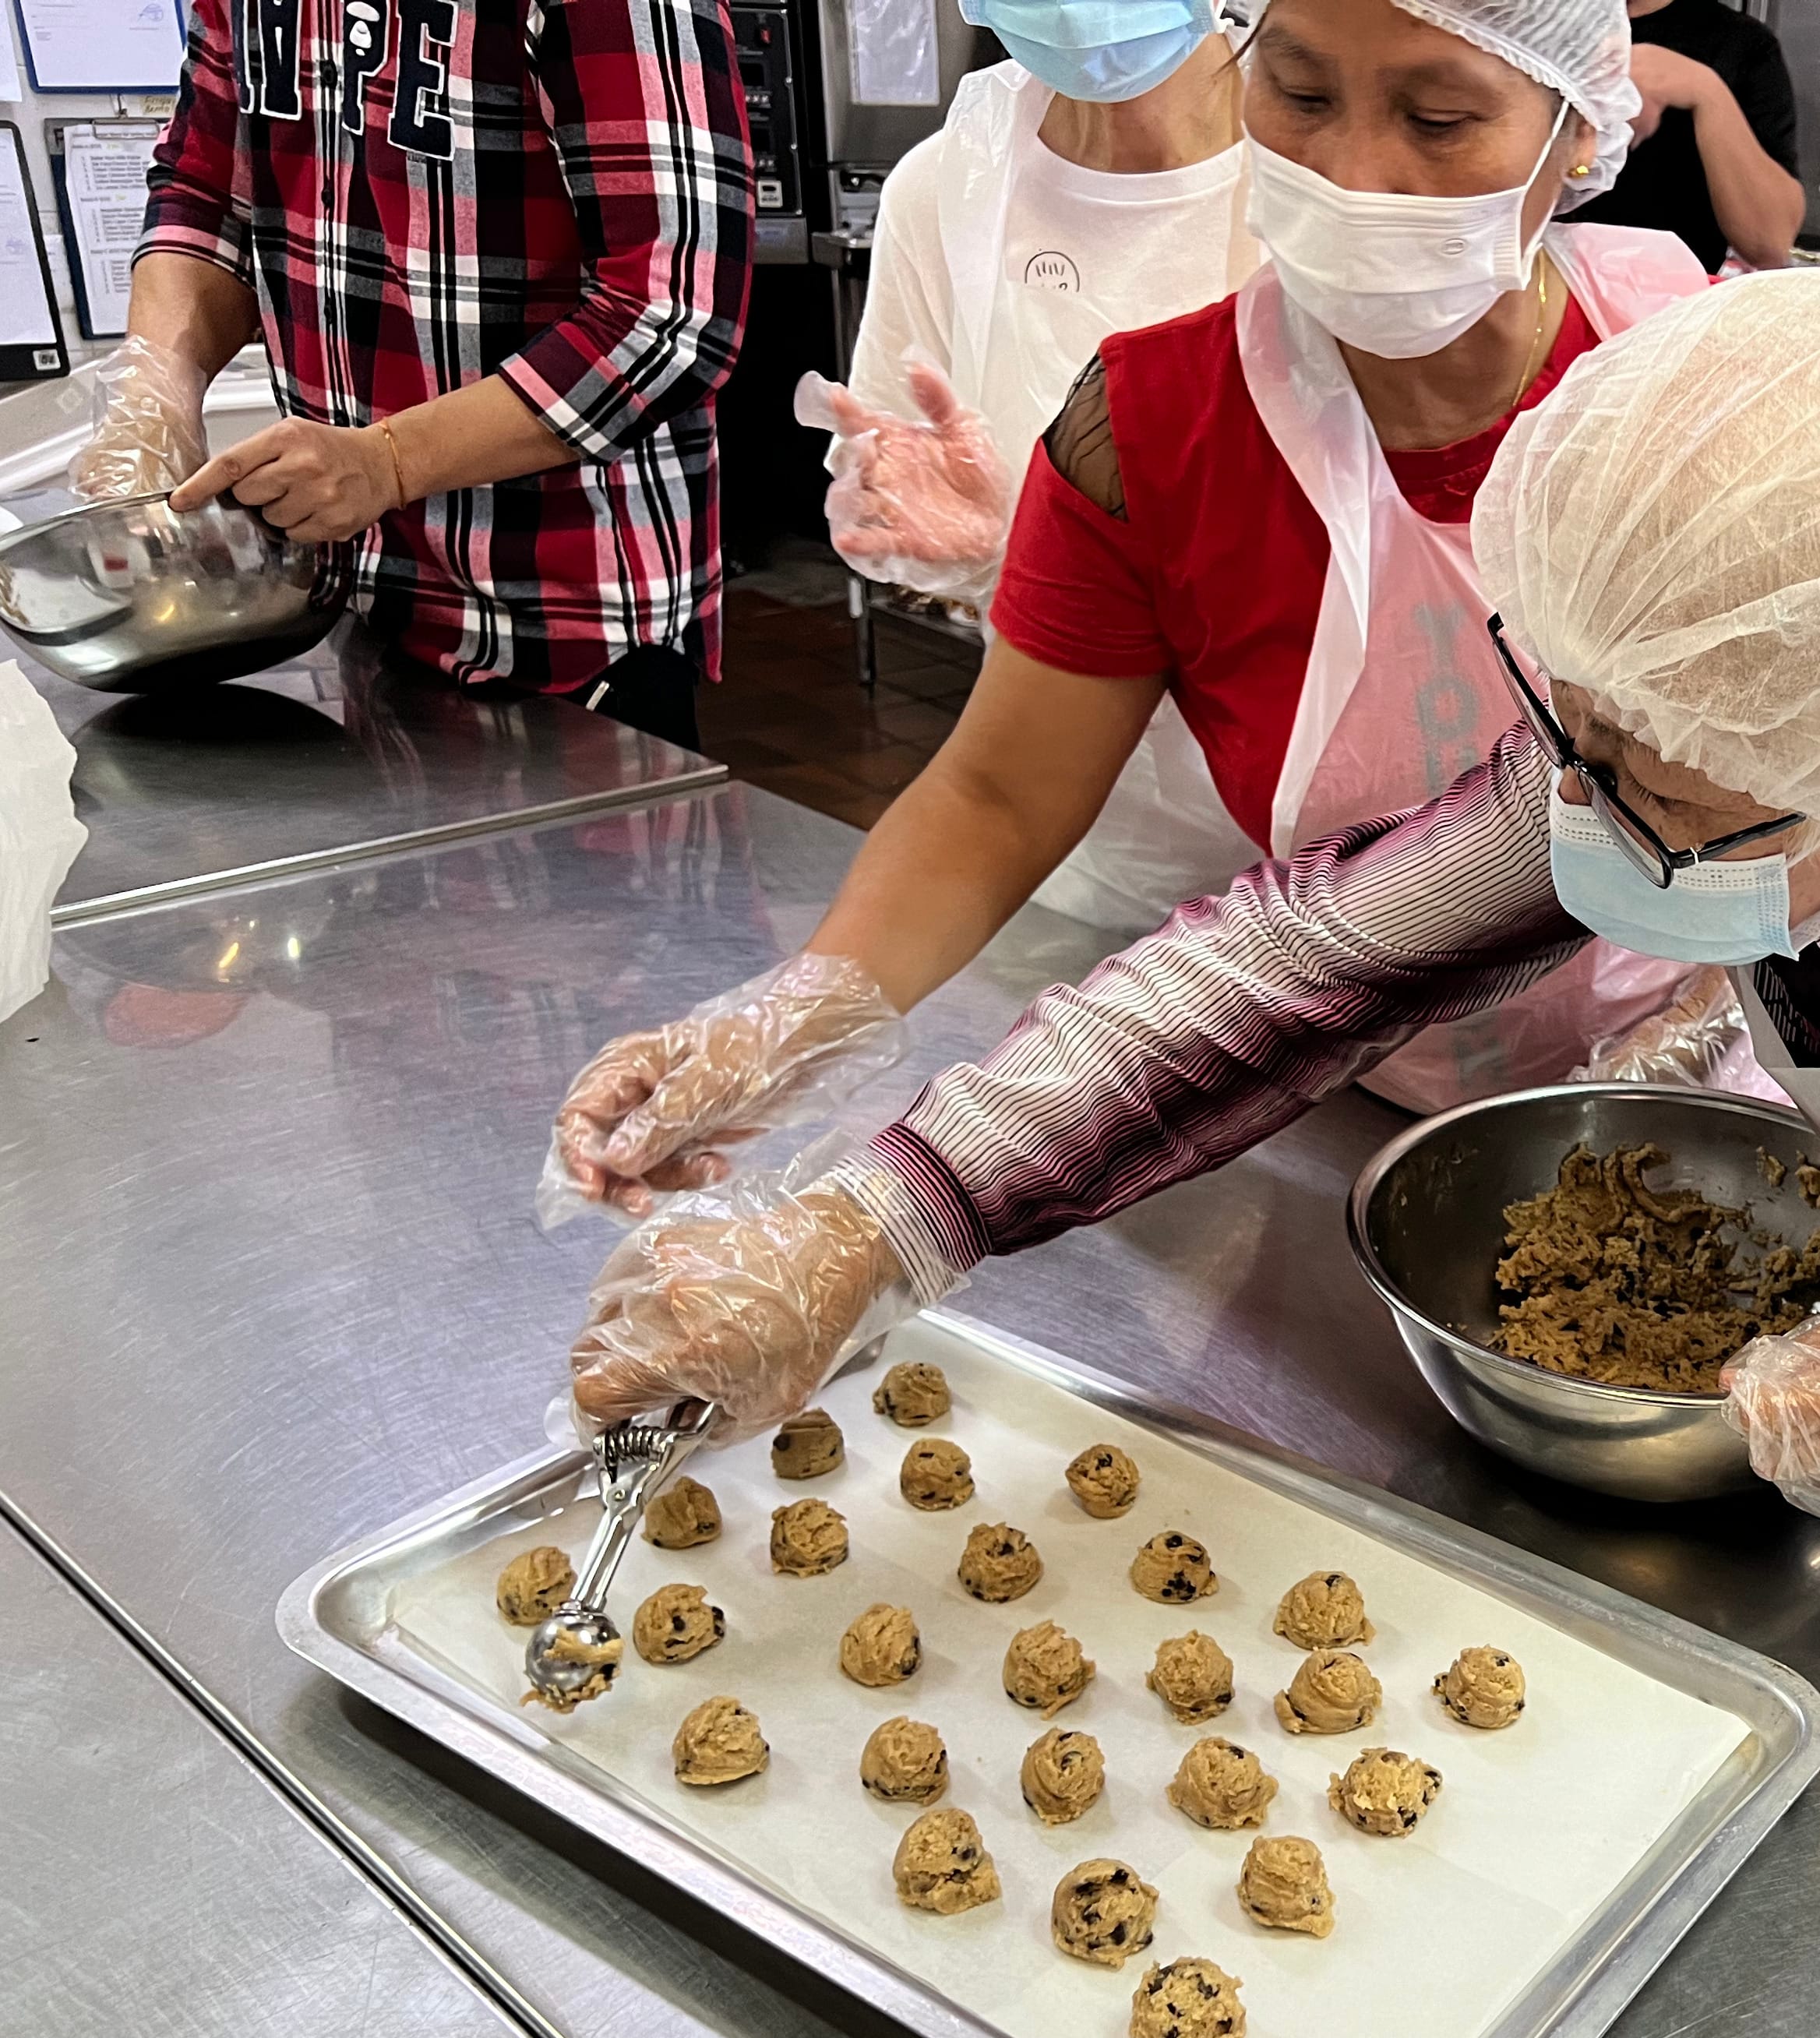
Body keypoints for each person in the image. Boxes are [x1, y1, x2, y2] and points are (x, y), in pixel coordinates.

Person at [565, 271, 1820, 1538]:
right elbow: (1298, 963)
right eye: (1580, 744)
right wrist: (875, 1228)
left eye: (1664, 794)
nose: (1588, 821)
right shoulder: (1717, 705)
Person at [545, 0, 1719, 1218]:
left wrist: (1701, 1043)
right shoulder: (1147, 428)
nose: (1355, 173)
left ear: (1578, 128)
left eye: (1437, 117)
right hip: (1366, 1082)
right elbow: (998, 798)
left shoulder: (1696, 384)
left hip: (1734, 1071)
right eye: (1303, 96)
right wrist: (783, 1028)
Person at [90, 0, 754, 752]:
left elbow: (668, 316)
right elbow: (206, 192)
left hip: (566, 629)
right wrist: (155, 390)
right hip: (351, 597)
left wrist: (389, 462)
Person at [803, 0, 1260, 928]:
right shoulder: (948, 192)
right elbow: (911, 491)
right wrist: (982, 555)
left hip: (1368, 872)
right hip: (1085, 850)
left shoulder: (1336, 165)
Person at [1572, 0, 1802, 271]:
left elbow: (1770, 244)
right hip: (1533, 291)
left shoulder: (1744, 47)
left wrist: (1706, 91)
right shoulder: (1536, 21)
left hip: (1667, 305)